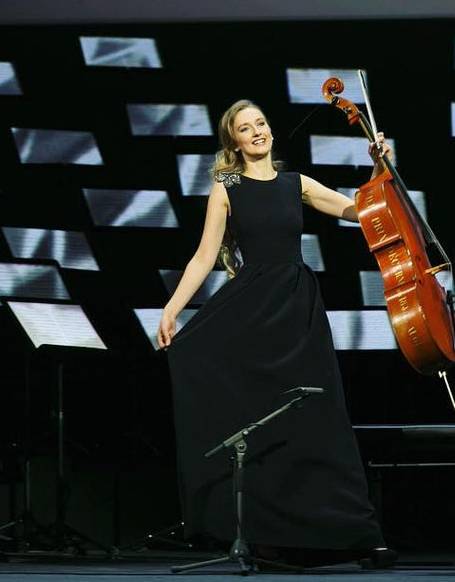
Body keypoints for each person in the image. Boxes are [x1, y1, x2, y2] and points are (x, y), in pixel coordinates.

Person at [157, 99, 394, 568]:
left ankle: (354, 533)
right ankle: (261, 532)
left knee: (317, 414)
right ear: (235, 142)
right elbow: (205, 256)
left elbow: (359, 212)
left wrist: (378, 166)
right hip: (250, 309)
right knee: (253, 412)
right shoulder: (225, 184)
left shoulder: (295, 183)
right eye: (245, 129)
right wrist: (172, 309)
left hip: (296, 309)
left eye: (260, 123)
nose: (256, 132)